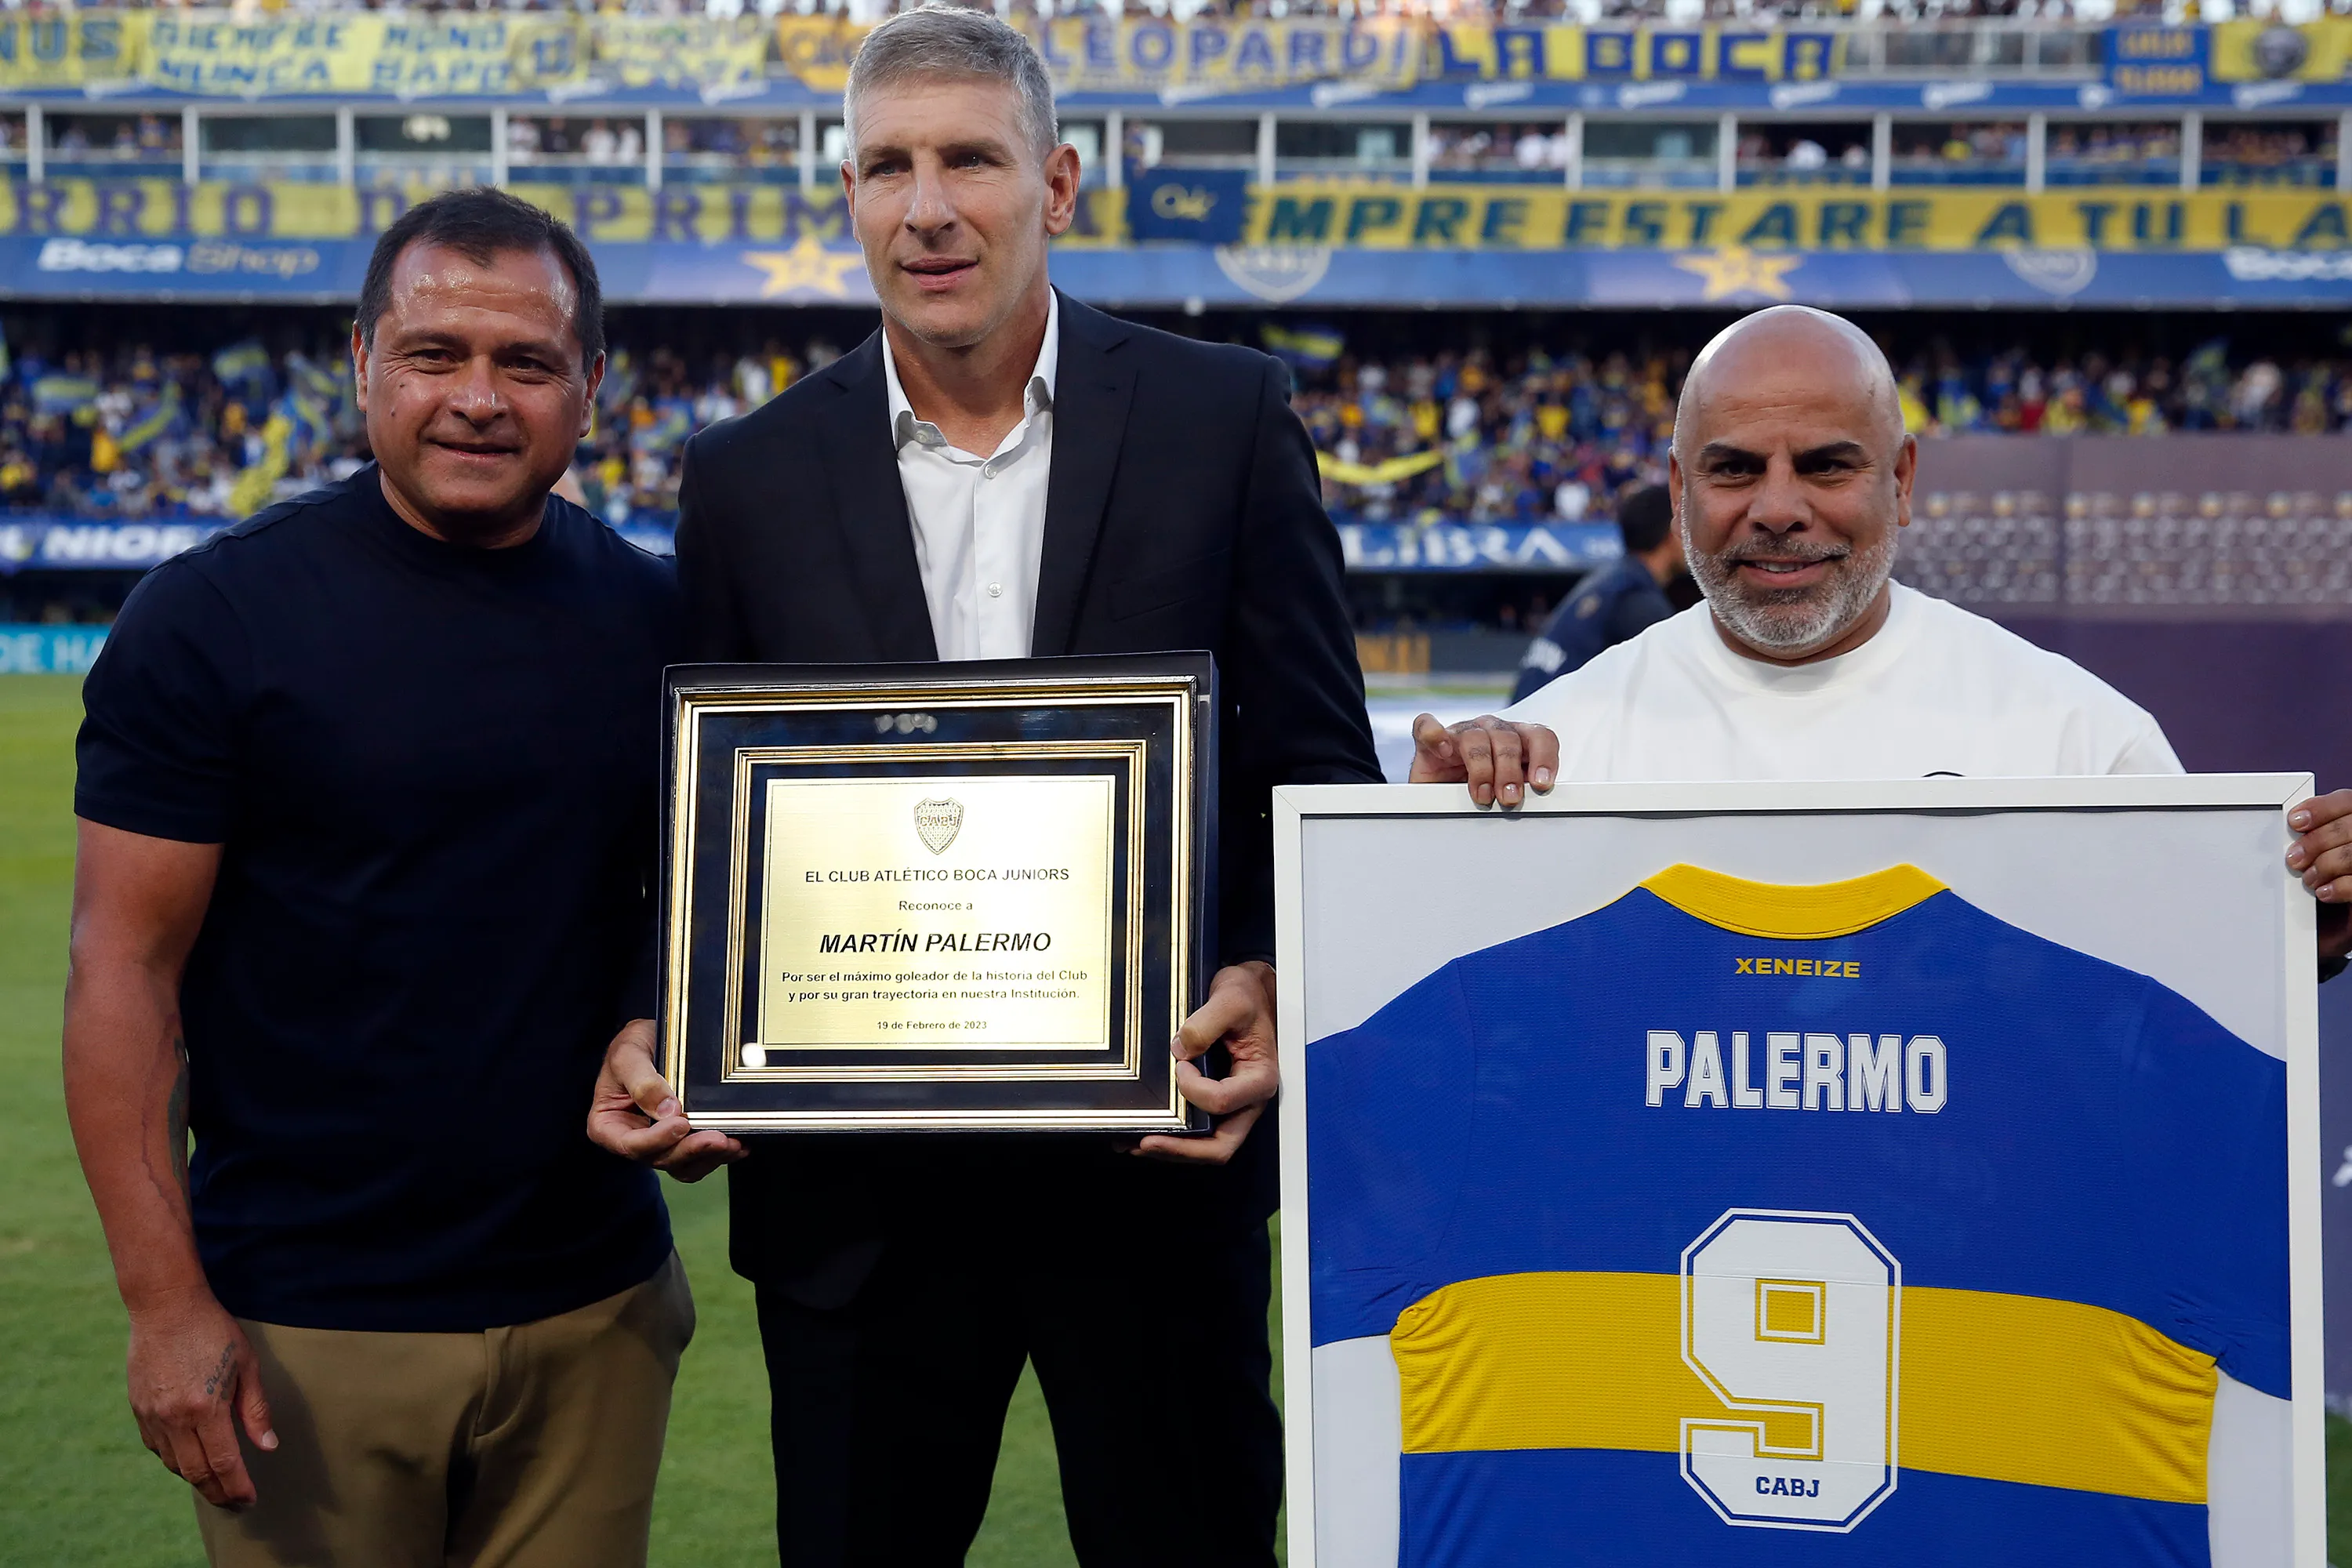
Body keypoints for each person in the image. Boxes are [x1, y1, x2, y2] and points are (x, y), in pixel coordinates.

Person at [586, 7, 1384, 1563]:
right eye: (886, 165)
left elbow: (1317, 764)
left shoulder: (1226, 419)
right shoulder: (743, 475)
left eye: (969, 159)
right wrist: (662, 1016)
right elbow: (706, 821)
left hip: (1157, 1184)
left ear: (1061, 184)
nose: (926, 204)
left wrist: (1279, 975)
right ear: (851, 195)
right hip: (859, 1220)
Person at [64, 188, 693, 1567]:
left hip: (595, 1308)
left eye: (525, 363)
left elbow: (708, 934)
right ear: (360, 363)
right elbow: (126, 969)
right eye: (433, 354)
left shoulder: (664, 624)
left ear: (590, 385)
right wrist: (163, 1304)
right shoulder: (214, 616)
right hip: (306, 1329)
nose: (477, 397)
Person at [1411, 304, 2352, 978]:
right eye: (1735, 469)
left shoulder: (2080, 740)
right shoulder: (1551, 752)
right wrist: (1432, 851)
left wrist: (2289, 935)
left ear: (1901, 480)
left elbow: (2191, 1001)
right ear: (1678, 492)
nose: (1777, 509)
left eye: (1825, 465)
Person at [1509, 482, 1682, 703]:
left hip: (1527, 720)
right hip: (1551, 731)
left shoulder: (1607, 583)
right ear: (1672, 531)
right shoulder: (1636, 602)